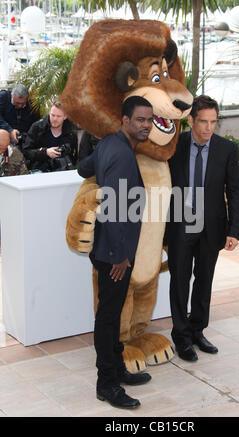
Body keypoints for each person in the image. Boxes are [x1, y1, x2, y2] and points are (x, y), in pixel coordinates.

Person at [77, 96, 153, 410]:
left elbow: (84, 169)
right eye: (140, 120)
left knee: (111, 312)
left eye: (149, 120)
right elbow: (117, 210)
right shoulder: (121, 154)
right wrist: (120, 255)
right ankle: (106, 383)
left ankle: (117, 369)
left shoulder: (109, 143)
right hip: (114, 253)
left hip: (107, 248)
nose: (146, 125)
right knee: (108, 317)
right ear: (124, 120)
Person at [166, 95, 239, 362]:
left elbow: (234, 191)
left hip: (212, 225)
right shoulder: (175, 145)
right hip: (181, 220)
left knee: (204, 279)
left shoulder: (227, 149)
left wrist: (234, 229)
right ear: (191, 120)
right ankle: (181, 336)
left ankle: (198, 331)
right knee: (179, 280)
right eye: (203, 122)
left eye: (213, 122)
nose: (209, 128)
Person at [23, 100, 78, 172]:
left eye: (58, 116)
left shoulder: (71, 132)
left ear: (65, 116)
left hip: (61, 168)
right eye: (52, 115)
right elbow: (26, 152)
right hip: (39, 168)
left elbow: (74, 157)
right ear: (49, 113)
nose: (55, 119)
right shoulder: (37, 127)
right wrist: (45, 152)